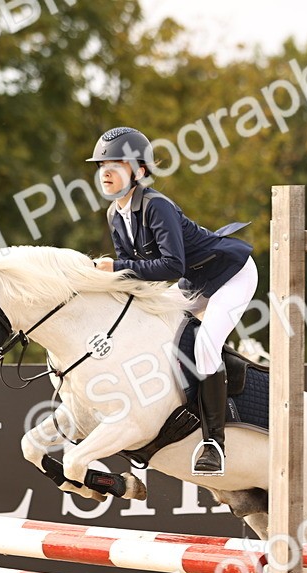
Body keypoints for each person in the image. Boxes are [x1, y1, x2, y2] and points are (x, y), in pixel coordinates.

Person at [89, 126, 257, 476]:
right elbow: (134, 277)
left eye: (116, 162)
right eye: (102, 163)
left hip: (231, 274)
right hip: (195, 281)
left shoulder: (156, 206)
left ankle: (214, 443)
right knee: (154, 332)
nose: (105, 171)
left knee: (207, 345)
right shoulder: (113, 215)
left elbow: (169, 265)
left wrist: (116, 267)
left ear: (139, 170)